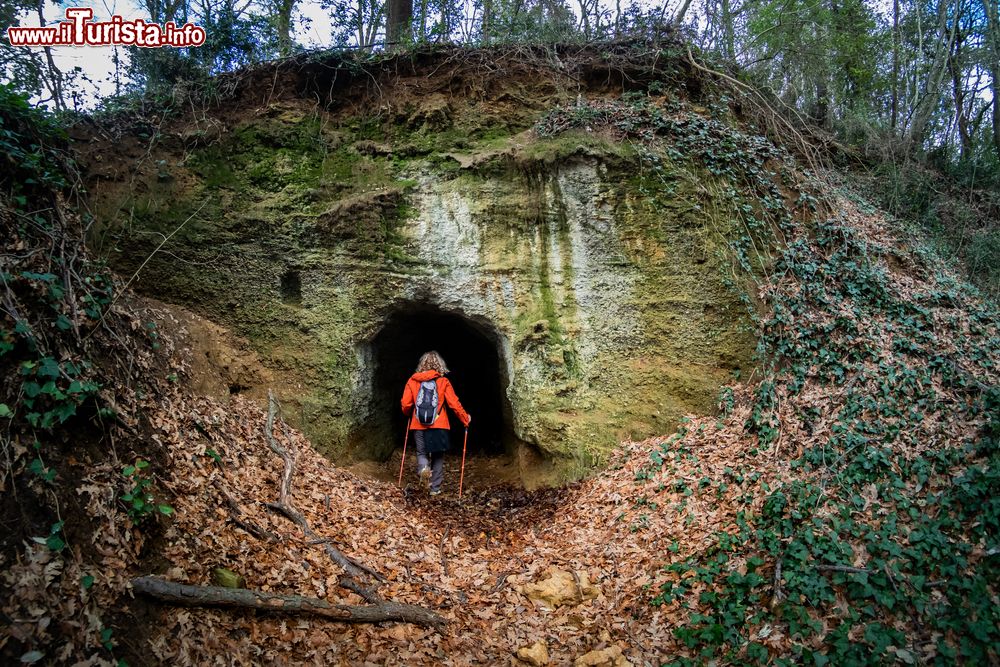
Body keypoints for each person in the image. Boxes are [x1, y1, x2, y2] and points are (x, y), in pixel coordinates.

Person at [400, 351, 471, 496]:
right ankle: (435, 489)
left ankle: (424, 469)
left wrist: (408, 414)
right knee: (438, 455)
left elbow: (406, 404)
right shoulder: (443, 381)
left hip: (418, 424)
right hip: (439, 424)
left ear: (421, 364)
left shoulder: (412, 381)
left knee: (421, 452)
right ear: (440, 365)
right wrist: (465, 419)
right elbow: (454, 404)